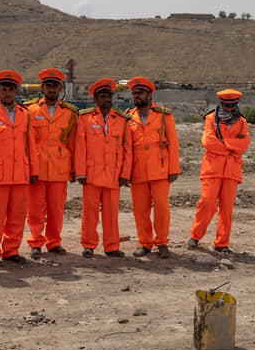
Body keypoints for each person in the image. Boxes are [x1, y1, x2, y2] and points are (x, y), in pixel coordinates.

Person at [0, 70, 38, 268]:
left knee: (17, 216)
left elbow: (31, 146)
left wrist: (34, 170)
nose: (7, 94)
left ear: (16, 92)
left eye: (11, 90)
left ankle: (11, 250)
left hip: (21, 173)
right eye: (4, 90)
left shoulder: (25, 115)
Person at [74, 78, 132, 258]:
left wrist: (125, 174)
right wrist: (80, 172)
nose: (107, 99)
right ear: (96, 99)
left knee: (111, 213)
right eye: (102, 97)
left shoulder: (122, 120)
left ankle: (112, 246)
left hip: (113, 175)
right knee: (90, 212)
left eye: (109, 96)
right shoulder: (84, 118)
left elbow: (127, 150)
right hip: (91, 174)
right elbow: (80, 147)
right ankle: (89, 245)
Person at [187, 89, 250, 253]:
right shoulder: (210, 119)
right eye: (226, 105)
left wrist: (223, 144)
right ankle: (195, 236)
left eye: (232, 105)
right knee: (207, 202)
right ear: (222, 103)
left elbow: (244, 145)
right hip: (212, 169)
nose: (229, 108)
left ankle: (222, 243)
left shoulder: (242, 121)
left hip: (231, 170)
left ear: (235, 104)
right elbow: (208, 142)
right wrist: (232, 147)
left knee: (226, 208)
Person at [25, 68, 78, 259]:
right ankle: (36, 242)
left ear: (60, 88)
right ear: (42, 87)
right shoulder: (30, 110)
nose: (51, 89)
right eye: (48, 85)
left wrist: (73, 170)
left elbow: (73, 144)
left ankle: (54, 242)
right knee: (35, 209)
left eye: (55, 86)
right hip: (37, 167)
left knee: (56, 208)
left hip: (59, 167)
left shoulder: (70, 113)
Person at [126, 76, 180, 259]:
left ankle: (162, 242)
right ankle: (145, 243)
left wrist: (174, 169)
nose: (137, 96)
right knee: (140, 209)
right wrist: (125, 173)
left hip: (160, 169)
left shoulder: (164, 115)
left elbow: (173, 143)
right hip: (137, 170)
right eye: (134, 93)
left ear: (150, 95)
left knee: (162, 207)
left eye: (140, 93)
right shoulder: (128, 118)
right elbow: (125, 148)